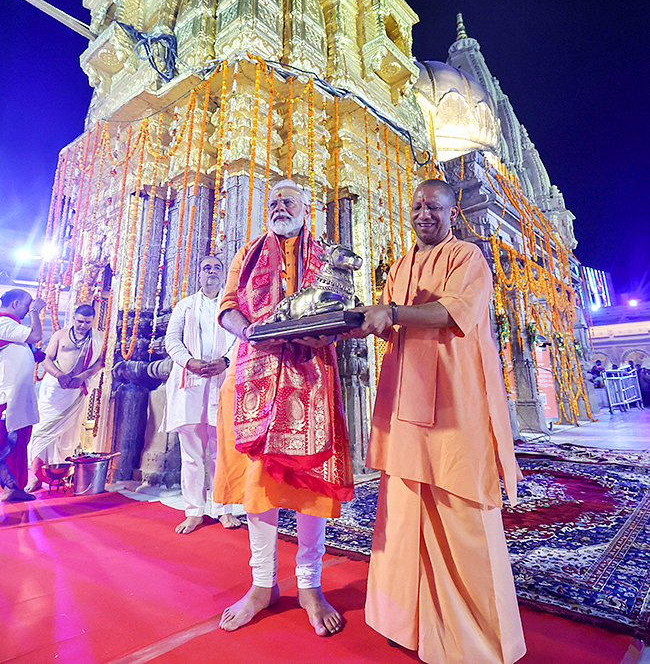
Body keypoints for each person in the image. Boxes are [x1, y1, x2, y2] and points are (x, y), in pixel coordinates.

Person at [349, 179, 526, 664]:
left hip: (453, 406)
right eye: (418, 206)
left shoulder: (468, 257)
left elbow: (452, 313)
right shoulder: (402, 265)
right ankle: (402, 621)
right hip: (405, 403)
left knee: (461, 509)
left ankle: (477, 640)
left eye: (435, 207)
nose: (424, 214)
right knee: (403, 513)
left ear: (452, 213)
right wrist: (343, 325)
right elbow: (386, 322)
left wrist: (391, 311)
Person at [215, 179, 354, 636]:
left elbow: (340, 309)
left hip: (312, 374)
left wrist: (328, 333)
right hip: (255, 377)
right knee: (260, 485)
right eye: (273, 201)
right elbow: (229, 306)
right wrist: (250, 333)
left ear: (305, 209)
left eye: (287, 201)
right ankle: (262, 584)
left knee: (312, 481)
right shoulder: (248, 254)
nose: (279, 207)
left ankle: (310, 584)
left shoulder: (328, 256)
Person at [163, 254, 242, 534]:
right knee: (192, 453)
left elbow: (242, 337)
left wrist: (227, 360)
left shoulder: (232, 308)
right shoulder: (185, 306)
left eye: (216, 268)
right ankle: (194, 511)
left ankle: (224, 509)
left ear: (223, 275)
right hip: (190, 382)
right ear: (198, 275)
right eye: (206, 267)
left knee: (220, 451)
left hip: (222, 380)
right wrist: (189, 361)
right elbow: (171, 339)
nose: (211, 271)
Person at [27, 304, 105, 490]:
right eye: (79, 321)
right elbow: (45, 358)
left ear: (92, 321)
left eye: (87, 322)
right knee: (43, 432)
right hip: (54, 389)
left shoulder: (98, 338)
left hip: (75, 391)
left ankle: (60, 475)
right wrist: (58, 375)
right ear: (74, 319)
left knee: (66, 435)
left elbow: (100, 363)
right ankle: (37, 477)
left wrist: (82, 376)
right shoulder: (60, 335)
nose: (82, 325)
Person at [0, 289, 45, 502]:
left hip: (17, 398)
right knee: (6, 443)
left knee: (18, 443)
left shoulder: (12, 327)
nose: (29, 310)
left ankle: (13, 488)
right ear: (16, 303)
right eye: (28, 306)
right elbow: (36, 335)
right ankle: (9, 487)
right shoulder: (4, 323)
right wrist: (37, 312)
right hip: (7, 397)